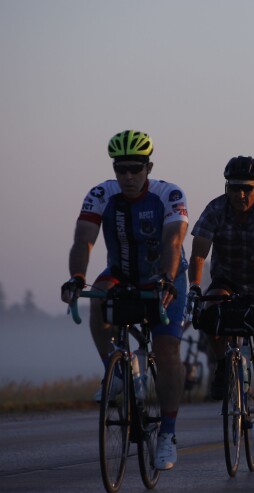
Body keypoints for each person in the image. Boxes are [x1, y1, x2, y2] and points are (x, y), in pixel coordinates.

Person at [60, 130, 188, 470]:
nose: (128, 176)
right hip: (121, 272)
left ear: (149, 167)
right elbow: (83, 240)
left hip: (166, 276)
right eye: (121, 169)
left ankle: (168, 434)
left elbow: (173, 241)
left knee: (166, 350)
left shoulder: (168, 194)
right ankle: (116, 368)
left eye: (135, 168)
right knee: (98, 298)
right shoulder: (102, 194)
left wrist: (166, 279)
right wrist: (77, 278)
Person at [187, 155, 254, 459]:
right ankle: (222, 365)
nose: (240, 195)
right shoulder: (216, 209)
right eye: (234, 188)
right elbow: (198, 255)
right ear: (226, 187)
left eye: (246, 188)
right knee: (210, 310)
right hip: (228, 280)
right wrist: (194, 286)